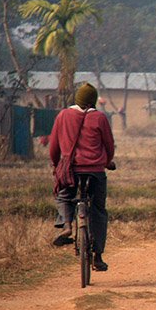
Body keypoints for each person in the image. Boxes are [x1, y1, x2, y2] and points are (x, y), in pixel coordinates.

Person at [49, 83, 115, 272]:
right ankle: (98, 256)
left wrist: (56, 165)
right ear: (93, 100)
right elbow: (109, 145)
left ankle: (68, 225)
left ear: (77, 99)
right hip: (95, 171)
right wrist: (107, 161)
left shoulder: (63, 116)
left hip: (71, 169)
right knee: (98, 210)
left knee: (64, 195)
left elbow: (54, 147)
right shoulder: (99, 117)